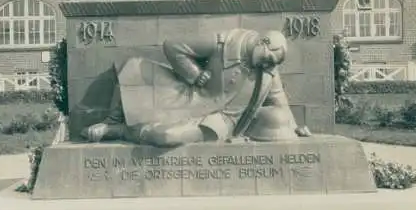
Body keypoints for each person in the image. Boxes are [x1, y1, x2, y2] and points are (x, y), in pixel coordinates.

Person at [82, 28, 311, 146]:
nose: (270, 65)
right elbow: (173, 46)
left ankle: (123, 131)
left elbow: (278, 100)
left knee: (168, 137)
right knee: (134, 69)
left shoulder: (268, 70)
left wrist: (294, 127)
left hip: (219, 121)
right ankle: (112, 124)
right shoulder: (223, 42)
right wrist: (195, 74)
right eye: (269, 59)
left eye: (274, 64)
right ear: (263, 43)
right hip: (191, 98)